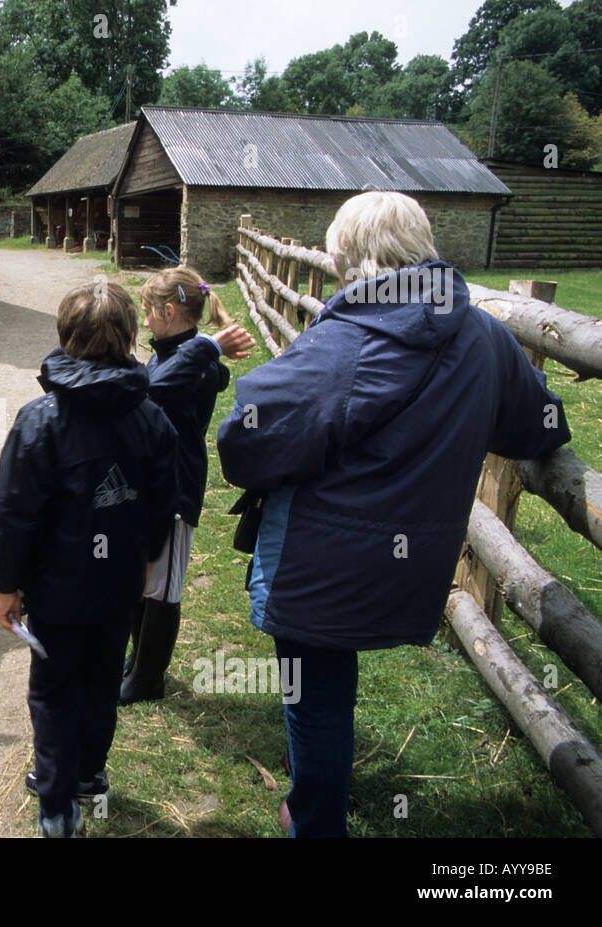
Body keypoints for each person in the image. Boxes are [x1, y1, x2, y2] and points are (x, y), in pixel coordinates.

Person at [216, 191, 571, 837]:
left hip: (318, 559)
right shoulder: (485, 334)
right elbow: (542, 424)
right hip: (411, 561)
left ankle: (315, 818)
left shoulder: (347, 337)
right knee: (323, 679)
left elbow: (246, 442)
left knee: (316, 691)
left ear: (345, 254)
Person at [0, 280, 178, 837]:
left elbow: (14, 513)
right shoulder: (151, 418)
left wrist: (8, 586)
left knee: (53, 688)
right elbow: (162, 504)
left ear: (65, 335)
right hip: (119, 582)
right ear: (128, 337)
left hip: (57, 588)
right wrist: (147, 561)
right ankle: (90, 772)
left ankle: (57, 802)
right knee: (100, 680)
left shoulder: (39, 420)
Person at [120, 267, 255, 705]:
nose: (145, 322)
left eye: (148, 313)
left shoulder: (197, 363)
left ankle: (149, 679)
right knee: (143, 577)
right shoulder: (171, 353)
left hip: (176, 488)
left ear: (169, 310)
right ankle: (138, 660)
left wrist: (210, 346)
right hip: (151, 486)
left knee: (163, 584)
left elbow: (152, 392)